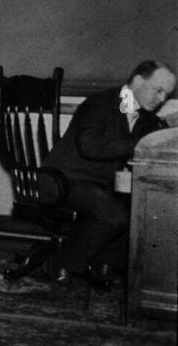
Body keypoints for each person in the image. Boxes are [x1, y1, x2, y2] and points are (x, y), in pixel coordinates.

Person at [40, 59, 175, 286]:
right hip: (63, 179)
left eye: (167, 95)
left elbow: (152, 139)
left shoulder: (145, 117)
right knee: (114, 215)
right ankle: (60, 262)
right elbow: (90, 146)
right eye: (158, 90)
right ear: (138, 81)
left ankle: (103, 264)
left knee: (142, 209)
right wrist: (140, 143)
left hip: (96, 184)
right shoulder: (100, 103)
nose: (161, 99)